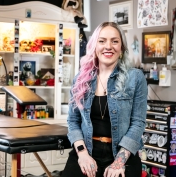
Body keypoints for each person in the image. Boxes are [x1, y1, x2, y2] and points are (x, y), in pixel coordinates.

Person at [62, 22, 147, 177]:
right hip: (87, 149)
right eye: (102, 41)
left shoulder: (135, 78)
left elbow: (138, 123)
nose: (108, 46)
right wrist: (82, 155)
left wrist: (119, 162)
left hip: (122, 153)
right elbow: (73, 121)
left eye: (115, 41)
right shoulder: (80, 80)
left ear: (121, 47)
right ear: (94, 46)